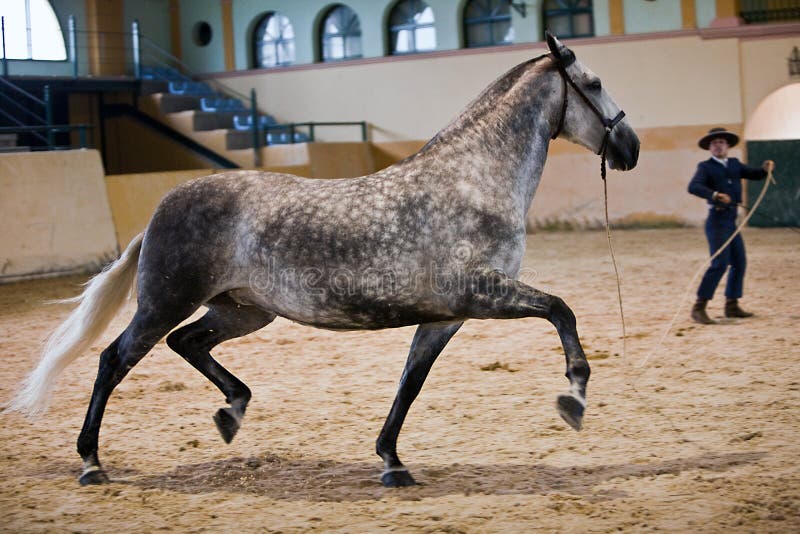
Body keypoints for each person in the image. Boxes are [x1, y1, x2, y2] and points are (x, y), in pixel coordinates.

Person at [687, 127, 775, 324]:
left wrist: (764, 168)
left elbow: (754, 174)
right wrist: (715, 195)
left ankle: (732, 304)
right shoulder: (705, 167)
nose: (718, 145)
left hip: (731, 222)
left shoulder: (734, 164)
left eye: (721, 142)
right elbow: (693, 187)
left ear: (727, 146)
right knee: (719, 263)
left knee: (739, 262)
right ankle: (699, 307)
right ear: (709, 148)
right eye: (714, 143)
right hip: (716, 221)